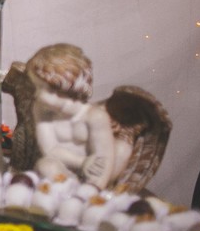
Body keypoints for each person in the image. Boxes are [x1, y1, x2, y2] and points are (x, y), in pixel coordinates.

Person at [25, 43, 127, 188]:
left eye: (40, 87)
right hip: (65, 170)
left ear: (61, 86)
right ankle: (70, 190)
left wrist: (95, 188)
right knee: (45, 166)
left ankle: (92, 191)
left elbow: (103, 159)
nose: (35, 94)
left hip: (96, 171)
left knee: (122, 149)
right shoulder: (41, 109)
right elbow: (50, 150)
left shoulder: (95, 116)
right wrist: (83, 162)